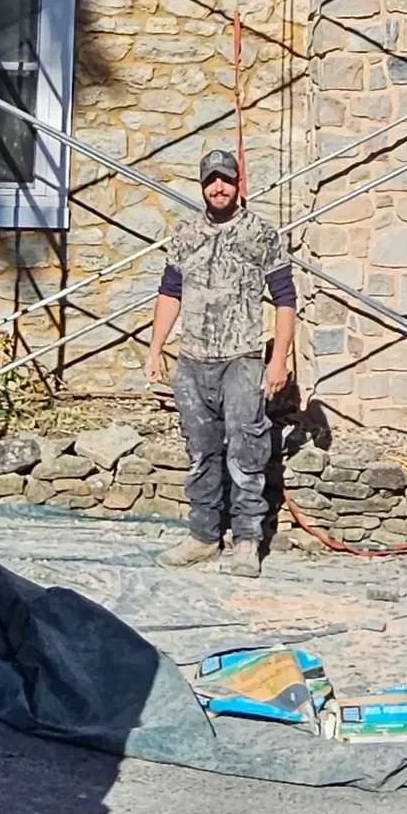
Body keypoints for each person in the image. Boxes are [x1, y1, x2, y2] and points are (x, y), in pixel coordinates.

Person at [145, 144, 297, 578]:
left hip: (242, 360)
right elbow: (169, 293)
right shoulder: (185, 235)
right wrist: (155, 349)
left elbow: (285, 299)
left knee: (247, 452)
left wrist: (278, 360)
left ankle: (247, 542)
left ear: (237, 184)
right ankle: (203, 537)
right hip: (193, 361)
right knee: (201, 453)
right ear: (202, 186)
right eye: (211, 180)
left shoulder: (260, 234)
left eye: (225, 180)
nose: (218, 187)